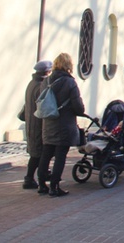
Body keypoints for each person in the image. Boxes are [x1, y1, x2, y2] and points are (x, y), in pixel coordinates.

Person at [36, 53, 85, 197]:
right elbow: (79, 107)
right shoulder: (70, 83)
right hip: (64, 125)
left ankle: (41, 185)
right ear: (69, 65)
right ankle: (54, 186)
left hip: (48, 123)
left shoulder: (46, 81)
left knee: (45, 155)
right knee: (60, 156)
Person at [18, 60, 52, 189]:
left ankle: (40, 174)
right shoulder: (41, 86)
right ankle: (29, 179)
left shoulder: (32, 83)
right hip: (38, 124)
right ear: (47, 72)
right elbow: (43, 106)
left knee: (36, 153)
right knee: (38, 154)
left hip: (31, 123)